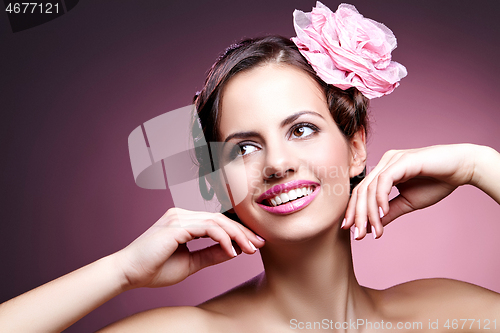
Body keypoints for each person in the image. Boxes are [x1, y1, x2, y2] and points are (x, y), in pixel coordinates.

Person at [1, 3, 499, 332]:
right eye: (243, 148)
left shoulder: (446, 315)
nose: (278, 164)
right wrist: (122, 271)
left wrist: (480, 165)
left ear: (355, 147)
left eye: (301, 129)